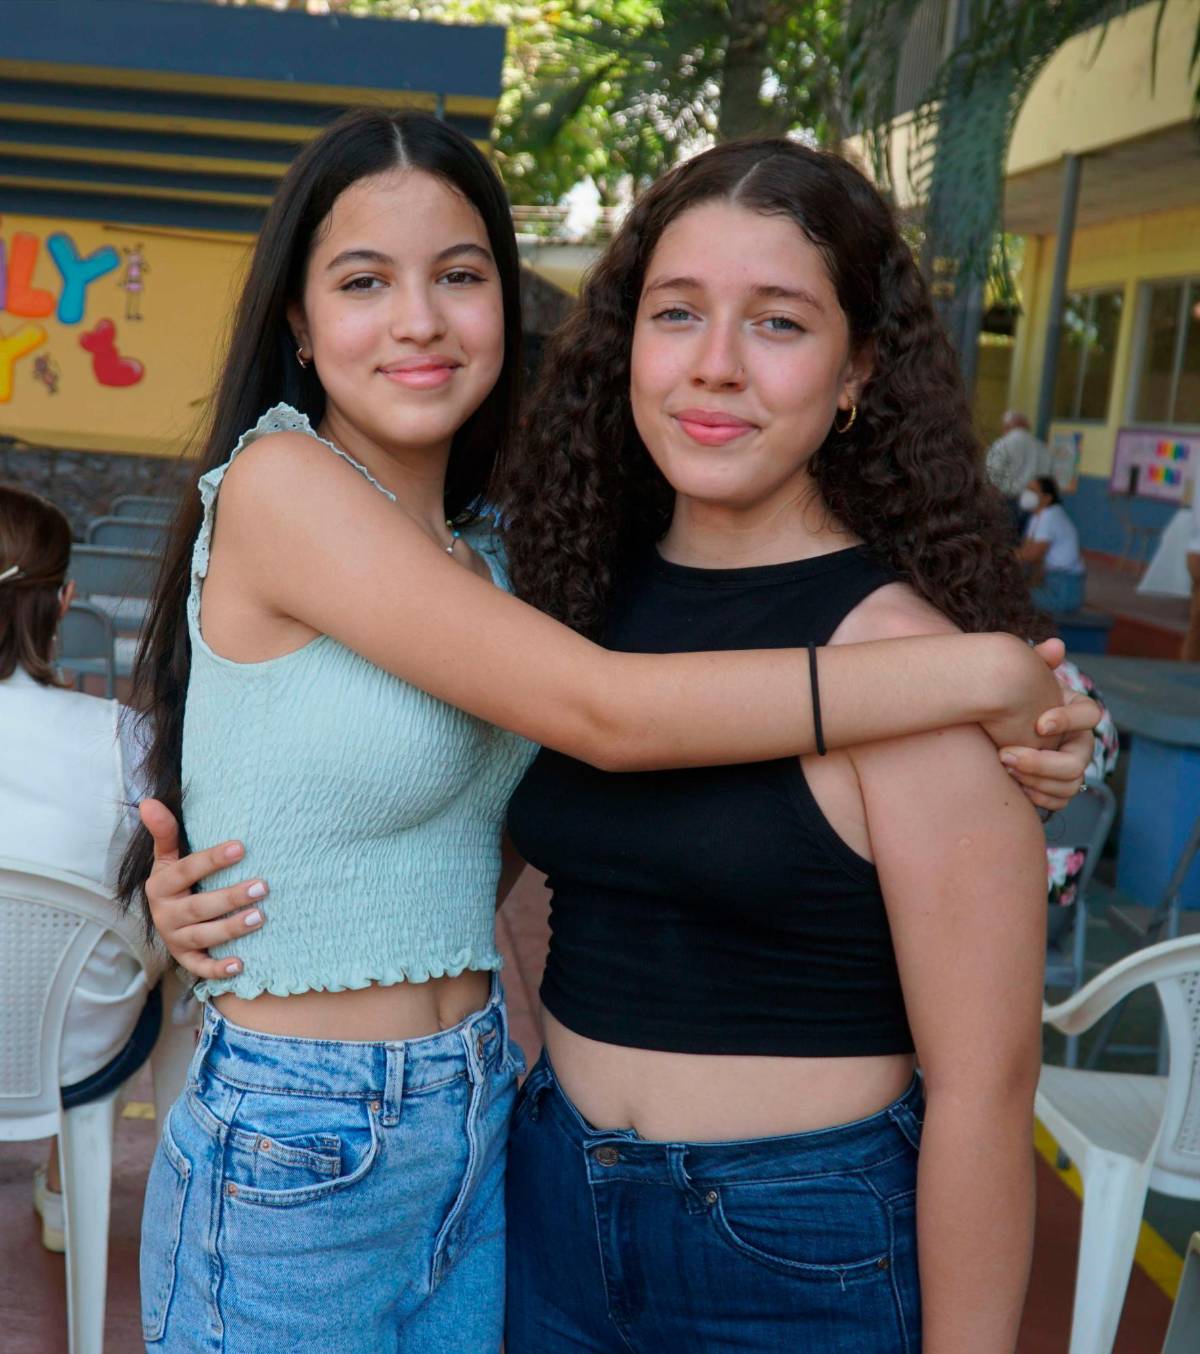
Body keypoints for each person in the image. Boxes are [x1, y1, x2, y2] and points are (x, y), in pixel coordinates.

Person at [128, 114, 1099, 1352]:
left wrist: (1046, 719)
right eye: (678, 312)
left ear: (860, 369)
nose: (716, 364)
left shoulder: (518, 569)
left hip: (687, 1208)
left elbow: (985, 1087)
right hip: (462, 1169)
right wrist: (989, 666)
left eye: (783, 322)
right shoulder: (517, 580)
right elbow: (592, 733)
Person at [0, 484, 166, 1253]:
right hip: (74, 1056)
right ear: (64, 600)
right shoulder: (124, 737)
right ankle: (68, 1191)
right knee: (154, 964)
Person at [1018, 475, 1087, 614]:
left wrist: (1002, 555)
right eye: (1027, 488)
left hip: (1064, 590)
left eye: (1032, 490)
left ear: (1047, 498)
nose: (1027, 493)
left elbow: (1031, 555)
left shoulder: (1050, 516)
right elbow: (1025, 551)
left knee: (1012, 598)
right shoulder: (1037, 516)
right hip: (1052, 582)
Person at [985, 410, 1052, 536]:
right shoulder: (1042, 448)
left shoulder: (1002, 444)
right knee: (1025, 542)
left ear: (1007, 426)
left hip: (1007, 501)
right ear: (1026, 425)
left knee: (1003, 541)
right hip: (1034, 502)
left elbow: (992, 474)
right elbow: (1047, 476)